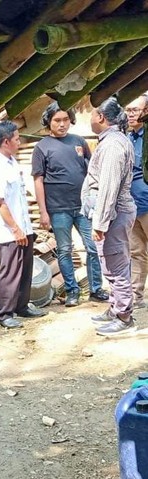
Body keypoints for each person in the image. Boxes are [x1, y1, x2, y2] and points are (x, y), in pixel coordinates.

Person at [32, 102, 108, 307]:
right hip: (58, 209)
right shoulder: (42, 147)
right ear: (49, 121)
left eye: (66, 119)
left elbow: (92, 170)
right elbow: (38, 180)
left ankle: (96, 289)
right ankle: (72, 291)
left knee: (93, 247)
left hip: (83, 206)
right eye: (57, 120)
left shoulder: (79, 141)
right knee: (65, 250)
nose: (62, 124)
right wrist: (43, 212)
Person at [82, 97, 137, 336]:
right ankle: (115, 308)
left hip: (114, 214)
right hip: (112, 215)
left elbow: (108, 187)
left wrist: (101, 222)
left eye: (92, 114)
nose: (91, 119)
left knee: (116, 265)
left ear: (101, 117)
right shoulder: (110, 141)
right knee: (110, 263)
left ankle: (124, 317)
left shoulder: (113, 145)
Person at [0, 120, 48, 329]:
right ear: (5, 141)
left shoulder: (13, 163)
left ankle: (22, 306)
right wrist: (15, 228)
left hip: (24, 228)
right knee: (10, 272)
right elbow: (0, 202)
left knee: (25, 269)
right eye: (16, 139)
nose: (19, 142)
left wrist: (24, 228)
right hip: (10, 231)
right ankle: (3, 313)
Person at [126, 94, 148, 309]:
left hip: (147, 203)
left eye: (135, 109)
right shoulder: (126, 138)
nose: (131, 114)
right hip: (132, 206)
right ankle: (136, 296)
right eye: (128, 110)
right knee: (136, 252)